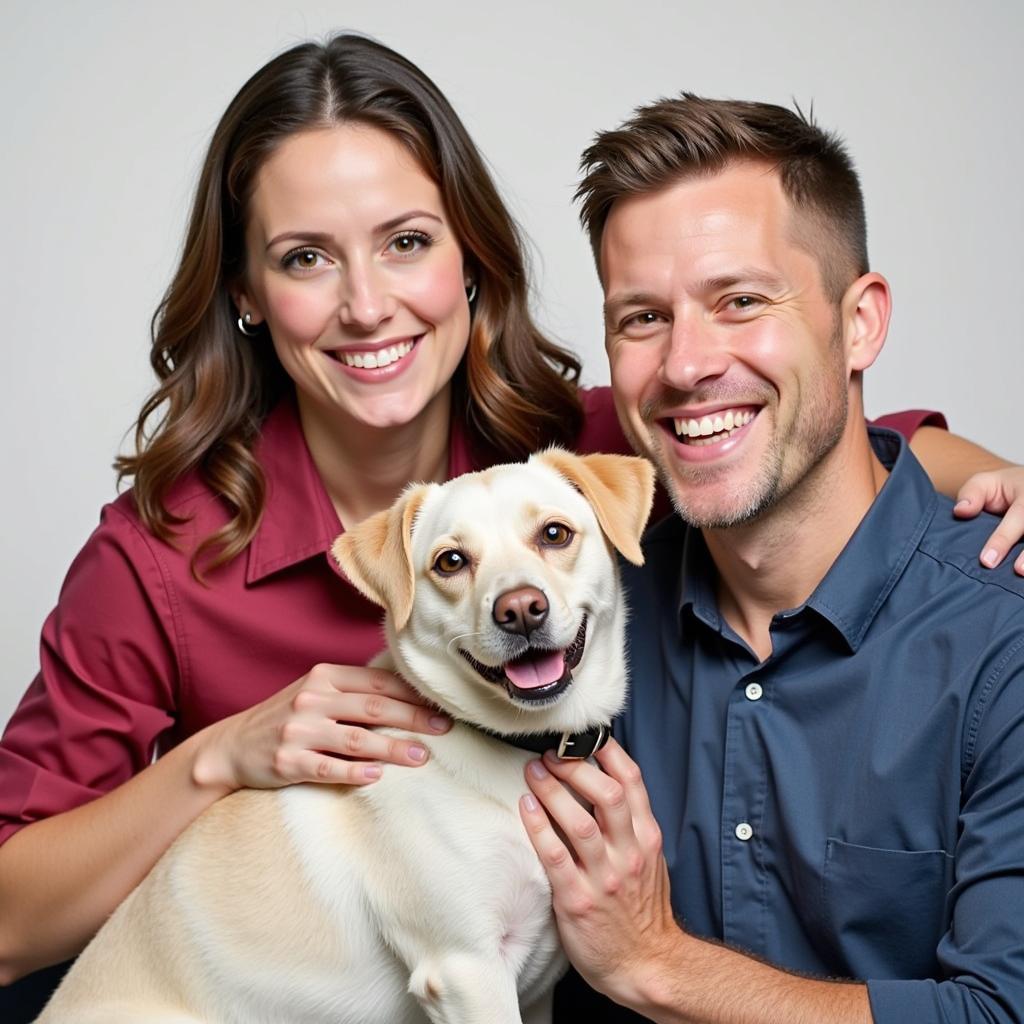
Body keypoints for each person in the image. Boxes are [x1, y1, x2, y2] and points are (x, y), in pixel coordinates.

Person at [0, 33, 1018, 1015]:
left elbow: (781, 438)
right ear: (248, 295)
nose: (367, 305)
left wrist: (1002, 477)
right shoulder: (161, 558)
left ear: (470, 257)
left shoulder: (556, 450)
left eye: (406, 243)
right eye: (306, 257)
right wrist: (215, 759)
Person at [520, 95, 1024, 1023]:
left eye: (740, 301)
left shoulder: (1006, 640)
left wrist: (656, 967)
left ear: (861, 322)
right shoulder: (573, 624)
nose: (685, 365)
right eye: (641, 318)